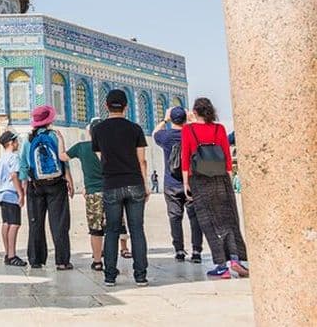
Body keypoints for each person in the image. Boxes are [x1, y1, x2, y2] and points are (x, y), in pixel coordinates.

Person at [182, 98, 249, 279]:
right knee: (229, 220)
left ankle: (221, 266)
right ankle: (235, 259)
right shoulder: (219, 128)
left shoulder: (188, 129)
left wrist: (185, 183)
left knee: (208, 222)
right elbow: (227, 156)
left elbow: (186, 157)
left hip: (199, 179)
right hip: (220, 178)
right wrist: (227, 180)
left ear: (195, 112)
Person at [91, 89, 149, 287]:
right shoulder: (135, 129)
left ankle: (110, 276)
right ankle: (140, 276)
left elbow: (101, 159)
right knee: (137, 230)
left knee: (112, 231)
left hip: (112, 184)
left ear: (106, 107)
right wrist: (146, 185)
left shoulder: (98, 130)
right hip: (134, 183)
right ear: (126, 107)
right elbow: (142, 161)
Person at [19, 105, 74, 270]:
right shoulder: (55, 136)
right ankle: (62, 261)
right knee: (59, 223)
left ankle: (36, 260)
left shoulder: (27, 139)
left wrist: (23, 188)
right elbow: (63, 160)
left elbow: (23, 165)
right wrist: (69, 181)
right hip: (56, 184)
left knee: (35, 223)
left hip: (35, 185)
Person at [152, 106, 203, 263]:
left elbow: (154, 133)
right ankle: (196, 251)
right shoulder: (193, 134)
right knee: (195, 218)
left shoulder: (165, 137)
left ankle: (179, 250)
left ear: (172, 119)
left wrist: (164, 120)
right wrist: (193, 120)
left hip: (171, 183)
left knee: (175, 217)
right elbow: (204, 134)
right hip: (192, 183)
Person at [60, 118, 107, 271]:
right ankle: (111, 262)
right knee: (112, 228)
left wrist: (60, 140)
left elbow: (63, 156)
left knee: (95, 229)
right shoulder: (110, 147)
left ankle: (97, 261)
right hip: (111, 192)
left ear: (89, 132)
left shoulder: (82, 147)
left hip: (93, 194)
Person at [0, 130, 26, 267]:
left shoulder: (1, 159)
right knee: (15, 224)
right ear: (10, 143)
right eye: (16, 141)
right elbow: (14, 175)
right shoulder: (14, 157)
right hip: (11, 193)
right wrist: (21, 193)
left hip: (1, 194)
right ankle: (12, 255)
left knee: (6, 223)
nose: (18, 143)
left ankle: (7, 253)